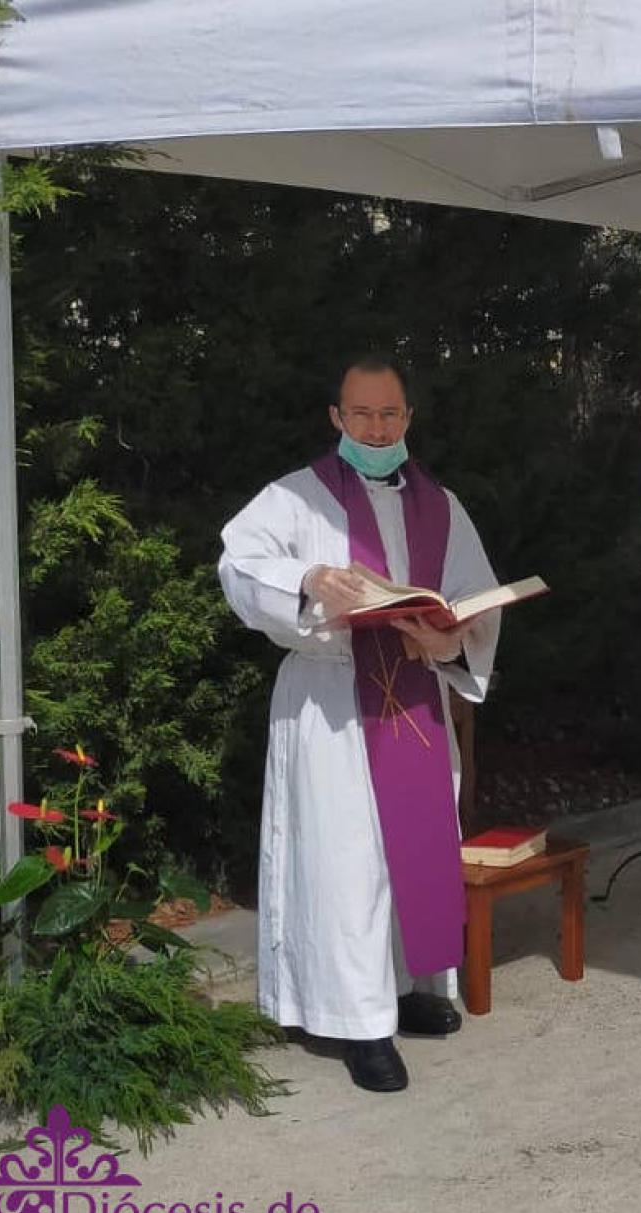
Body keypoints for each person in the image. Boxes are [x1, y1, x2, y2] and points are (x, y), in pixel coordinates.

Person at [218, 355, 502, 1093]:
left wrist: (452, 639)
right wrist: (309, 581)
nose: (376, 427)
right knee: (347, 859)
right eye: (362, 414)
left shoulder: (442, 504)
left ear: (408, 419)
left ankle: (406, 987)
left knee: (412, 847)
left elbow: (478, 598)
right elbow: (240, 567)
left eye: (390, 414)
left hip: (412, 693)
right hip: (332, 702)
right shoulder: (295, 497)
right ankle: (355, 1021)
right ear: (336, 418)